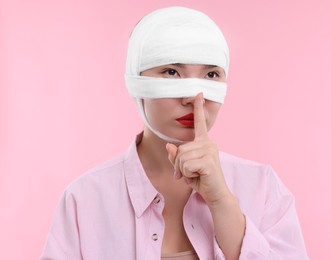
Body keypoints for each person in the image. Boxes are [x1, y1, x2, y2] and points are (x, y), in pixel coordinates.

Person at [41, 6, 309, 260]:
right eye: (171, 72)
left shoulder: (263, 189)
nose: (193, 97)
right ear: (137, 81)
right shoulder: (84, 200)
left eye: (211, 75)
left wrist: (222, 203)